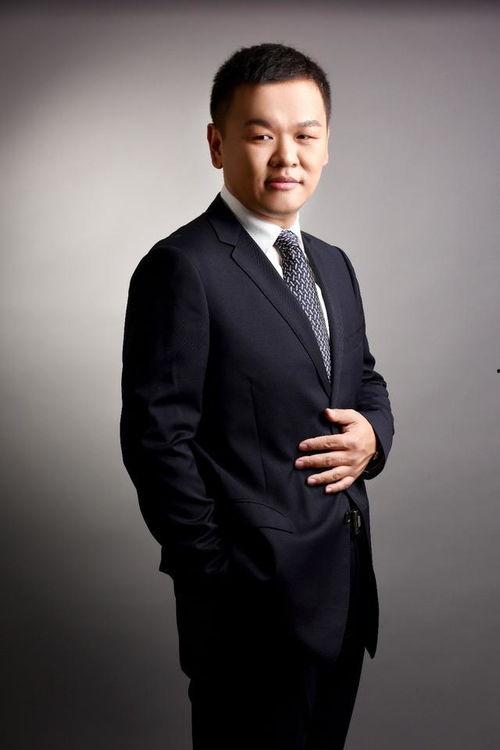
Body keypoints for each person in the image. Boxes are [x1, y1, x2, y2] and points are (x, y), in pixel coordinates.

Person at [120, 42, 394, 750]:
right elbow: (156, 443)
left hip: (341, 594)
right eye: (262, 135)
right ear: (218, 144)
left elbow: (363, 378)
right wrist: (216, 578)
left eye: (306, 135)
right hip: (246, 611)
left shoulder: (332, 264)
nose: (287, 157)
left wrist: (373, 438)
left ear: (327, 146)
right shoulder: (181, 268)